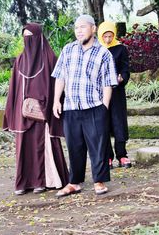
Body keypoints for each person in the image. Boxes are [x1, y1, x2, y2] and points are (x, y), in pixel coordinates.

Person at [51, 14, 118, 197]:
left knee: (98, 145)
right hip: (71, 107)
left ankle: (99, 181)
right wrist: (57, 100)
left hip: (94, 106)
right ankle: (74, 182)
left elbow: (108, 83)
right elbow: (60, 76)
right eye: (76, 28)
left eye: (83, 27)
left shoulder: (104, 53)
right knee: (74, 146)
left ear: (93, 29)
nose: (79, 31)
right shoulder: (68, 50)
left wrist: (104, 107)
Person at [3, 22, 69, 195]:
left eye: (30, 37)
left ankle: (43, 181)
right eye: (25, 37)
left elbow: (57, 84)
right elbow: (14, 88)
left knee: (41, 144)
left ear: (39, 38)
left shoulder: (49, 58)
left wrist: (50, 103)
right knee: (24, 147)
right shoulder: (20, 59)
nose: (27, 41)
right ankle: (24, 183)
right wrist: (13, 111)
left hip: (43, 111)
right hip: (23, 112)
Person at [98, 21, 131, 169]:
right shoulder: (96, 49)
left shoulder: (121, 49)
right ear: (100, 35)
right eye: (105, 36)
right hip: (99, 93)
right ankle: (108, 157)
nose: (107, 39)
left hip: (116, 92)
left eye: (110, 36)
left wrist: (122, 77)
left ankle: (122, 155)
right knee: (103, 123)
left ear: (114, 34)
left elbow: (125, 68)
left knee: (119, 122)